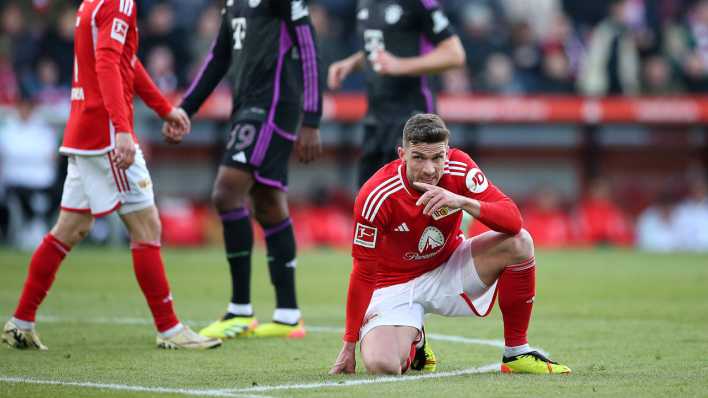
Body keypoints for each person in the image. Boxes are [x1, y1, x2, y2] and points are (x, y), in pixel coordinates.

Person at [1, 0, 221, 351]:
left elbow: (125, 63)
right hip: (105, 135)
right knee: (147, 226)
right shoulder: (119, 2)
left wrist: (164, 109)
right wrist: (121, 129)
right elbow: (106, 61)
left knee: (71, 228)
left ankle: (21, 322)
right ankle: (169, 329)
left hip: (84, 129)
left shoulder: (93, 2)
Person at [329, 114, 570, 375]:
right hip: (393, 286)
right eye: (419, 157)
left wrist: (462, 201)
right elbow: (363, 272)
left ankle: (516, 352)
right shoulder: (376, 195)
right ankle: (416, 338)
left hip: (449, 267)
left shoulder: (460, 167)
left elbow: (512, 220)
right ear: (402, 154)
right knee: (383, 366)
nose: (430, 169)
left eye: (438, 158)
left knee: (520, 242)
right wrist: (348, 344)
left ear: (447, 153)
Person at [170, 0, 323, 339]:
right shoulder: (234, 4)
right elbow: (217, 58)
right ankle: (288, 315)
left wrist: (312, 119)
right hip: (247, 106)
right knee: (267, 202)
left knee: (226, 193)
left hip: (272, 106)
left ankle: (240, 310)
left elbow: (309, 50)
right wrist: (184, 110)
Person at [327, 0, 465, 187]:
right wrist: (351, 63)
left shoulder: (420, 3)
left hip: (413, 117)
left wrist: (400, 65)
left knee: (416, 202)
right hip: (376, 119)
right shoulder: (365, 3)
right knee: (369, 201)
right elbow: (382, 46)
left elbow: (454, 54)